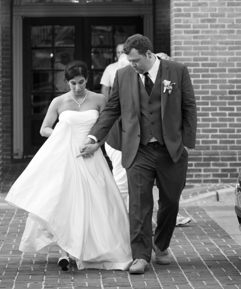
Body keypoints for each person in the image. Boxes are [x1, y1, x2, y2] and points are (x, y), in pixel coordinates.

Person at [79, 34, 197, 275]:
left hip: (170, 150)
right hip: (138, 149)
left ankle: (161, 245)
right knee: (139, 204)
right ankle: (140, 256)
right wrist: (93, 138)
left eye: (135, 60)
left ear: (149, 55)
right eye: (128, 60)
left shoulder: (177, 71)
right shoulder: (122, 76)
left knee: (171, 202)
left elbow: (189, 106)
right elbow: (112, 110)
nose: (131, 65)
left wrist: (186, 142)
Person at [5, 60, 132, 271]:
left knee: (96, 203)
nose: (77, 87)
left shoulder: (99, 99)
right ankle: (64, 251)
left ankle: (91, 248)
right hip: (66, 158)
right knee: (65, 201)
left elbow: (107, 127)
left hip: (91, 155)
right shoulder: (59, 102)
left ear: (87, 80)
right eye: (72, 83)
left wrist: (96, 144)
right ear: (66, 82)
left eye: (81, 82)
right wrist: (61, 136)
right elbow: (44, 129)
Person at [100, 43, 130, 202]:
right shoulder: (120, 94)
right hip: (119, 141)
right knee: (121, 182)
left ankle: (131, 219)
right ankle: (116, 220)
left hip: (130, 143)